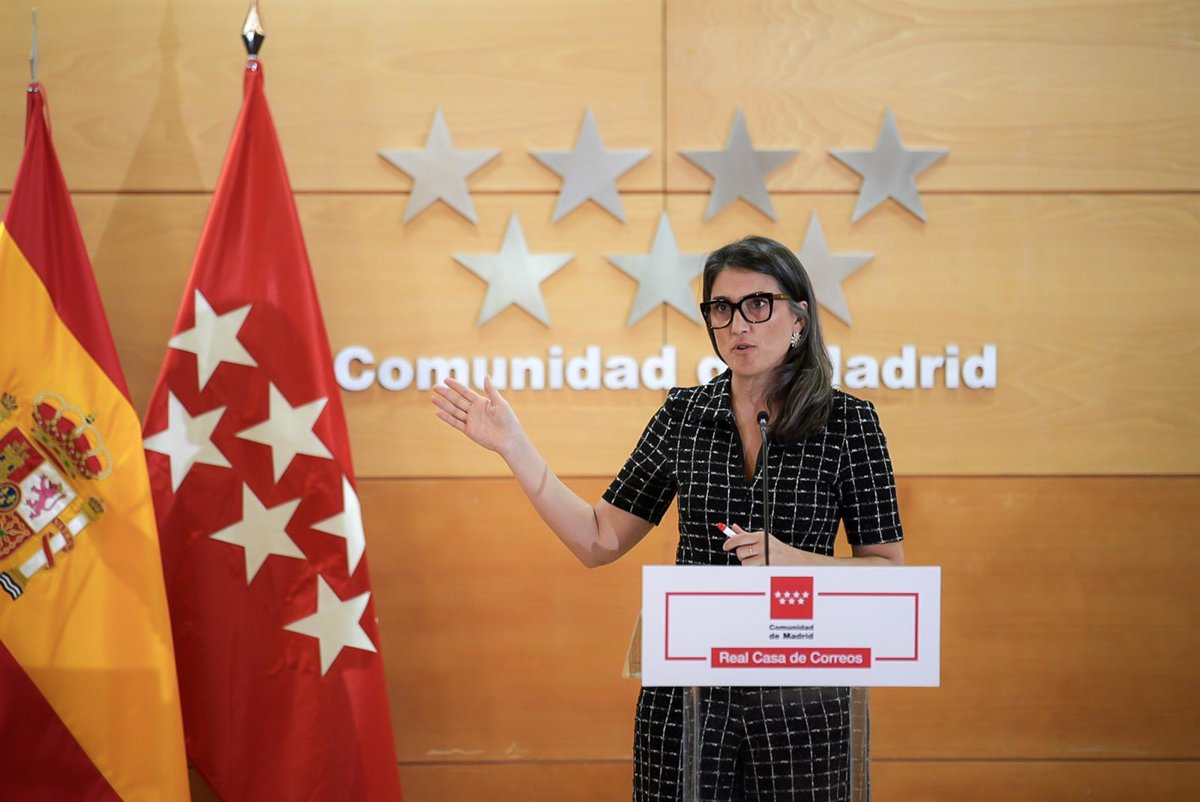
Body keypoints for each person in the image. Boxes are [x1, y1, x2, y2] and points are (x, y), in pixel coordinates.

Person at [432, 235, 904, 801]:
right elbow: (598, 538)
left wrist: (792, 561)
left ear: (799, 319)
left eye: (758, 305)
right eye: (721, 308)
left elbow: (888, 573)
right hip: (687, 701)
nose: (738, 325)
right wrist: (515, 447)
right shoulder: (684, 416)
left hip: (801, 704)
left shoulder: (850, 424)